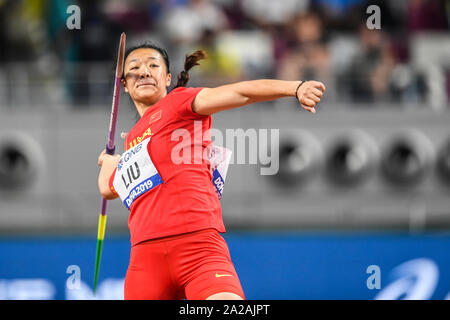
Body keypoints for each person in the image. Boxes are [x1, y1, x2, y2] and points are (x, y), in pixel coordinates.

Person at [97, 42, 325, 300]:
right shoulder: (133, 140)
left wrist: (295, 88)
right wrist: (109, 162)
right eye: (134, 68)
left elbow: (241, 93)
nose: (145, 71)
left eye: (153, 65)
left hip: (198, 248)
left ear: (168, 78)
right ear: (124, 85)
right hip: (145, 259)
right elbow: (108, 188)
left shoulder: (179, 102)